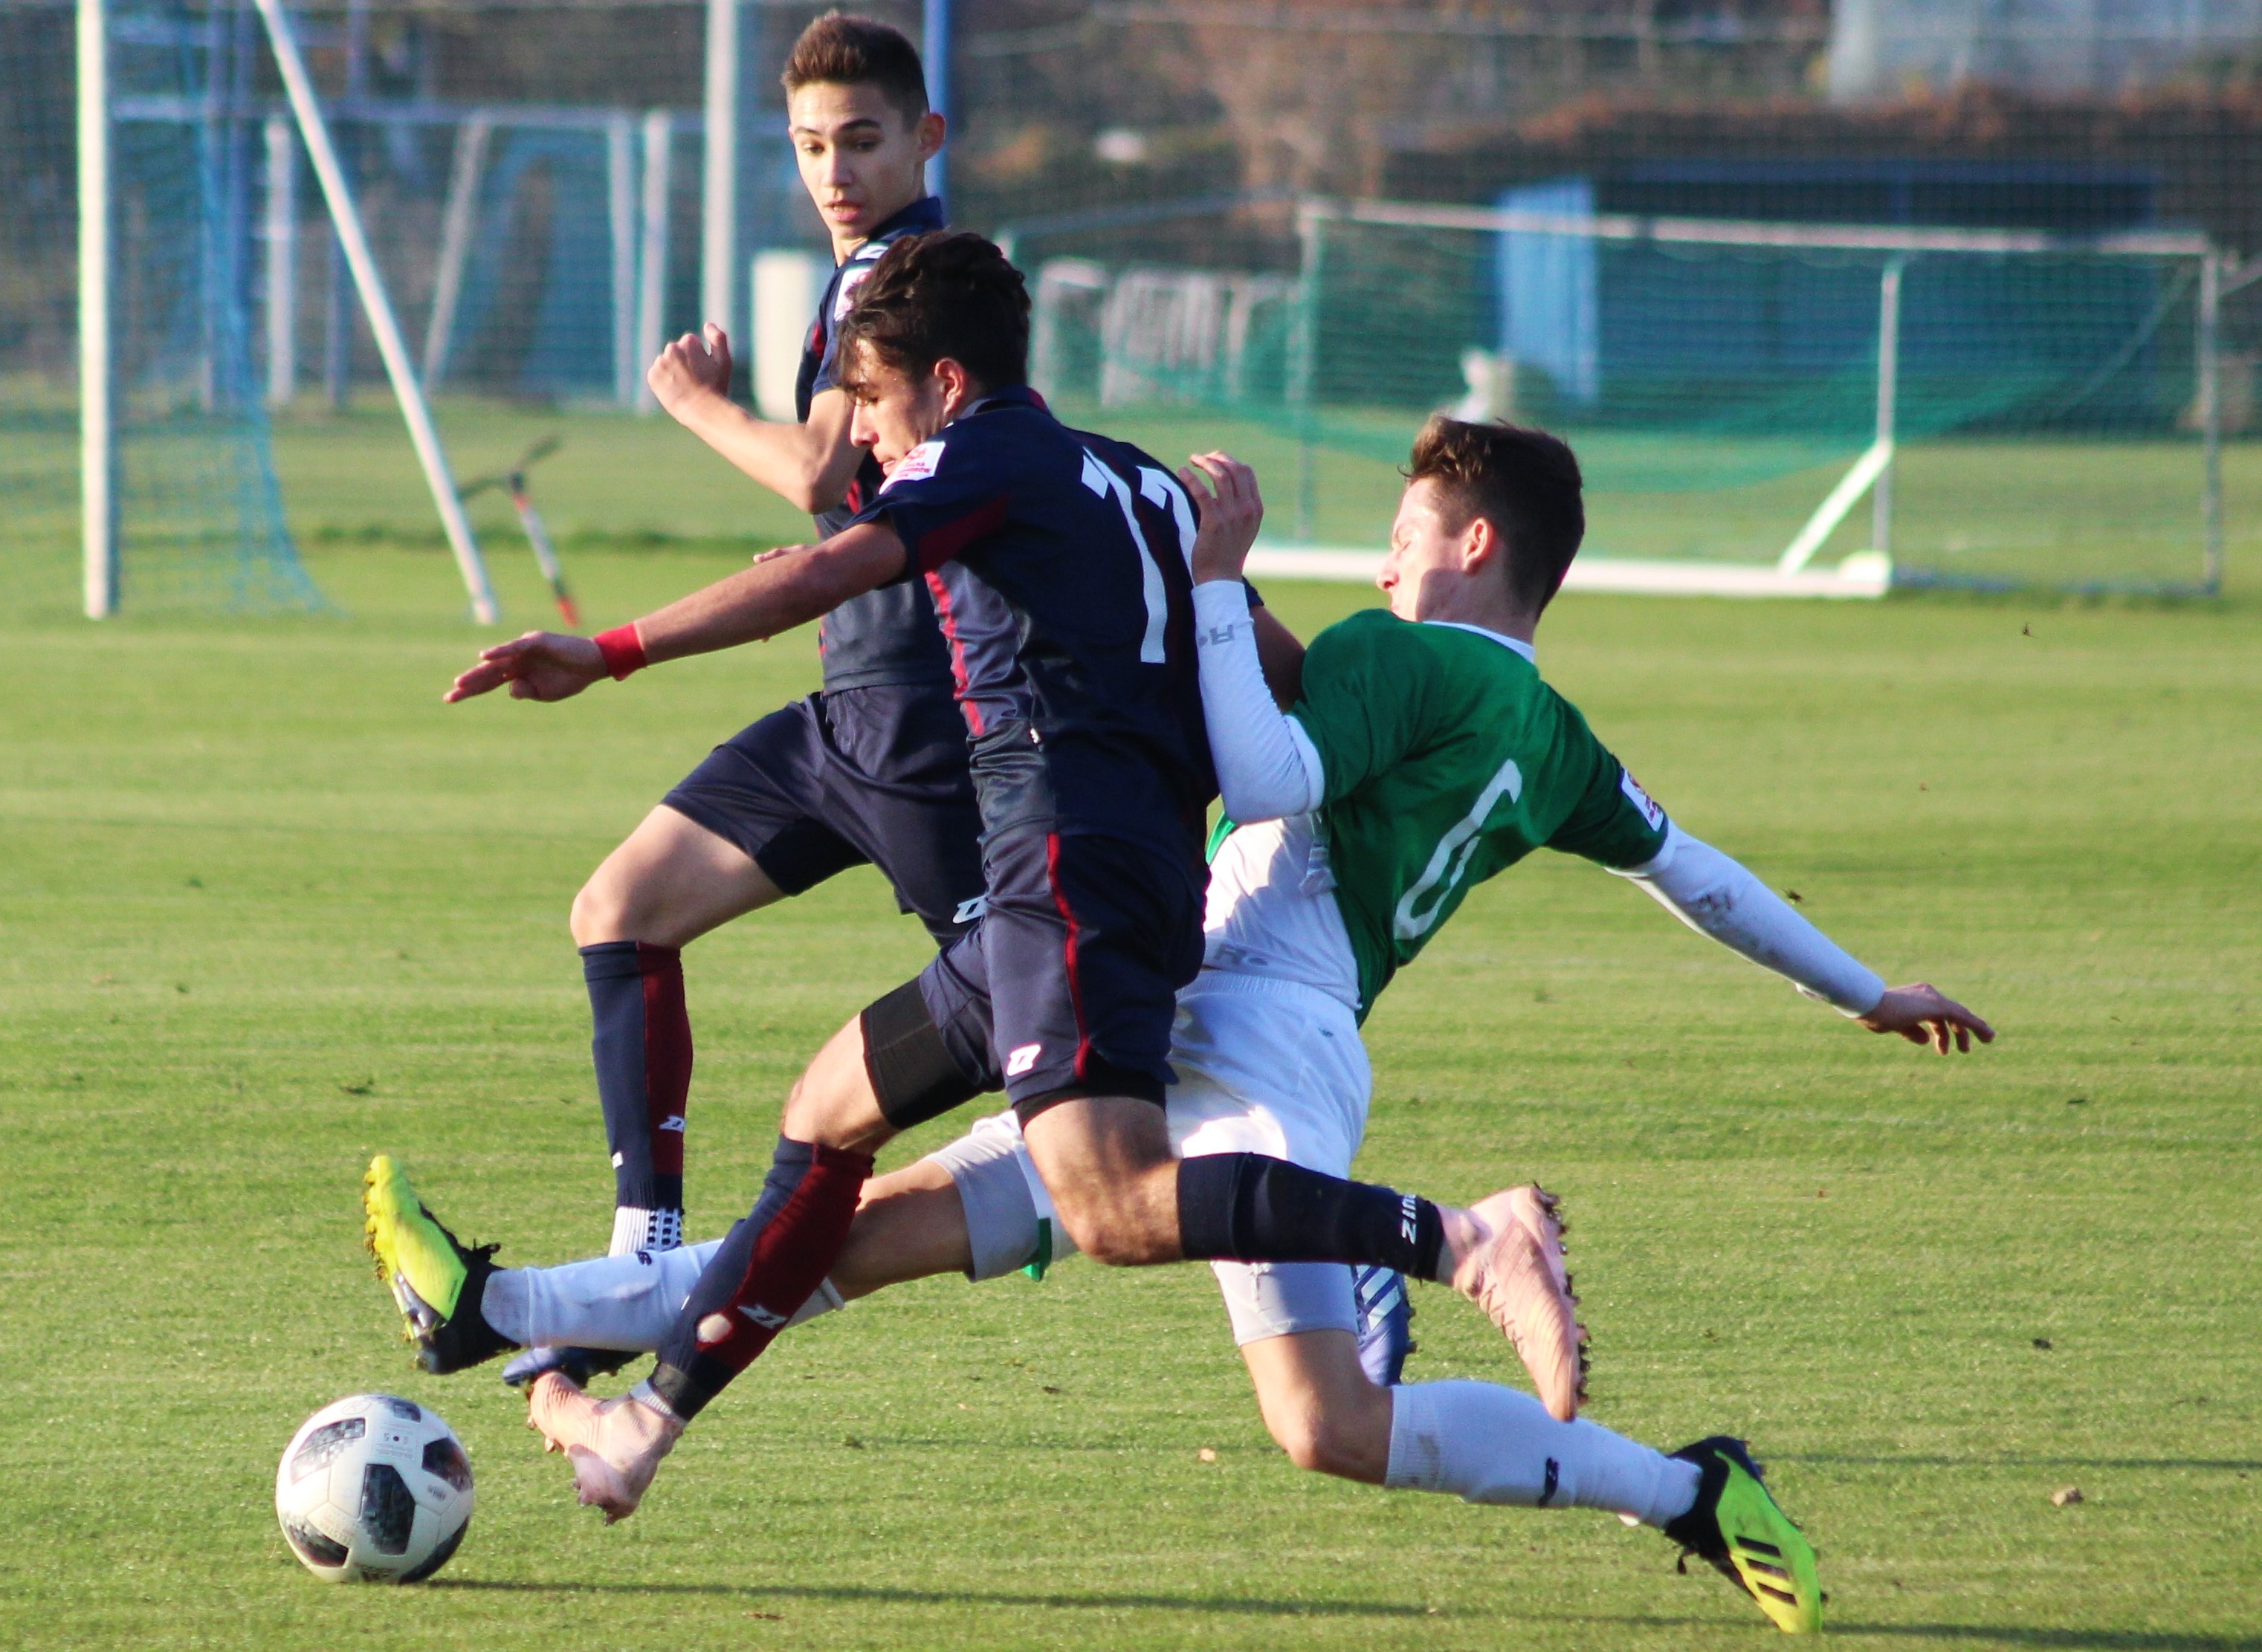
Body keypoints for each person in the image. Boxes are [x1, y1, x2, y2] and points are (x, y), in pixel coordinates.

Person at [371, 417, 1991, 1633]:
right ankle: (564, 1349)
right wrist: (1863, 988)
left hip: (1246, 1021)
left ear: (1477, 543)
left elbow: (1275, 775)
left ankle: (1515, 1300)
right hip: (1223, 1022)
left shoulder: (1398, 654)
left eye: (1408, 532)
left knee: (1311, 1420)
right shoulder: (1553, 735)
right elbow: (1697, 874)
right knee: (853, 1236)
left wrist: (1217, 589)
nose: (1381, 562)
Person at [379, 233, 1598, 1529]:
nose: (872, 453)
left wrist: (608, 648)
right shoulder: (1137, 480)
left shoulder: (985, 456)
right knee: (824, 1120)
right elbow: (1291, 674)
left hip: (1065, 893)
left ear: (949, 384)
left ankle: (1444, 1239)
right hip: (1071, 894)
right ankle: (637, 1424)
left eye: (882, 411)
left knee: (1116, 1203)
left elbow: (826, 567)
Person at [499, 16, 973, 1385]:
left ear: (925, 139)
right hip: (852, 704)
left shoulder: (900, 267)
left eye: (864, 140)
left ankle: (1332, 1228)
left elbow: (825, 467)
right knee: (621, 908)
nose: (835, 171)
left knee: (1093, 1051)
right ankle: (647, 1249)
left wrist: (692, 401)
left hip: (928, 725)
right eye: (812, 147)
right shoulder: (880, 270)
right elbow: (873, 496)